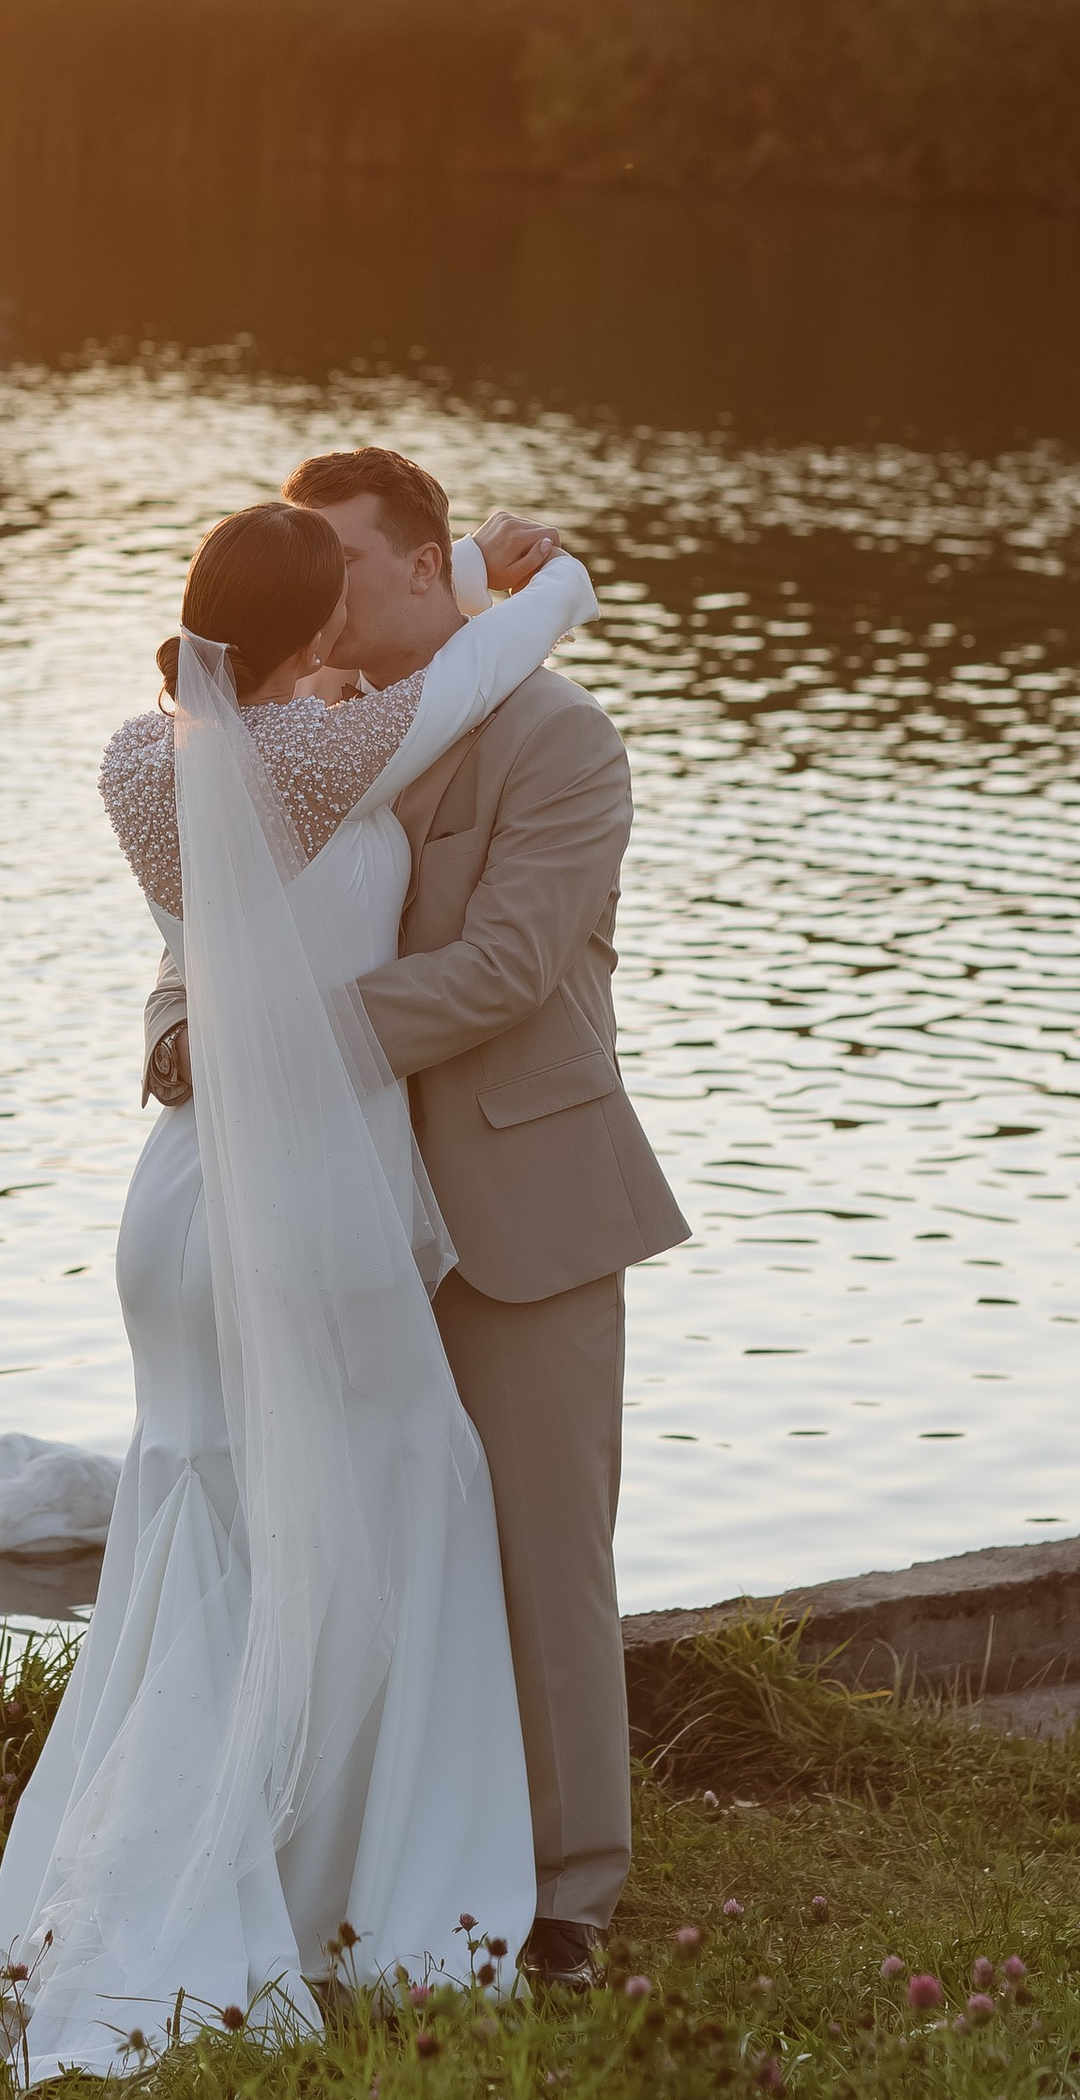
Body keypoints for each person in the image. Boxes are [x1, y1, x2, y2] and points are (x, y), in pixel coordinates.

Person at [0, 495, 597, 2078]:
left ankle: (155, 1877)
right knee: (411, 1485)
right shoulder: (335, 758)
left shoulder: (151, 759)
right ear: (320, 632)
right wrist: (544, 575)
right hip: (299, 1204)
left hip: (177, 1210)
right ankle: (372, 1898)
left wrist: (428, 585)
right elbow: (491, 665)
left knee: (204, 1531)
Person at [146, 447, 686, 1988]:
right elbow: (209, 929)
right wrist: (182, 1040)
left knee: (537, 1557)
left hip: (521, 1207)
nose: (313, 583)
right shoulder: (296, 733)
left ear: (420, 568)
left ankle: (572, 1893)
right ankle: (375, 1861)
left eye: (336, 555)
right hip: (334, 1224)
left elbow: (510, 966)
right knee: (357, 1545)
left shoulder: (560, 742)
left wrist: (276, 1055)